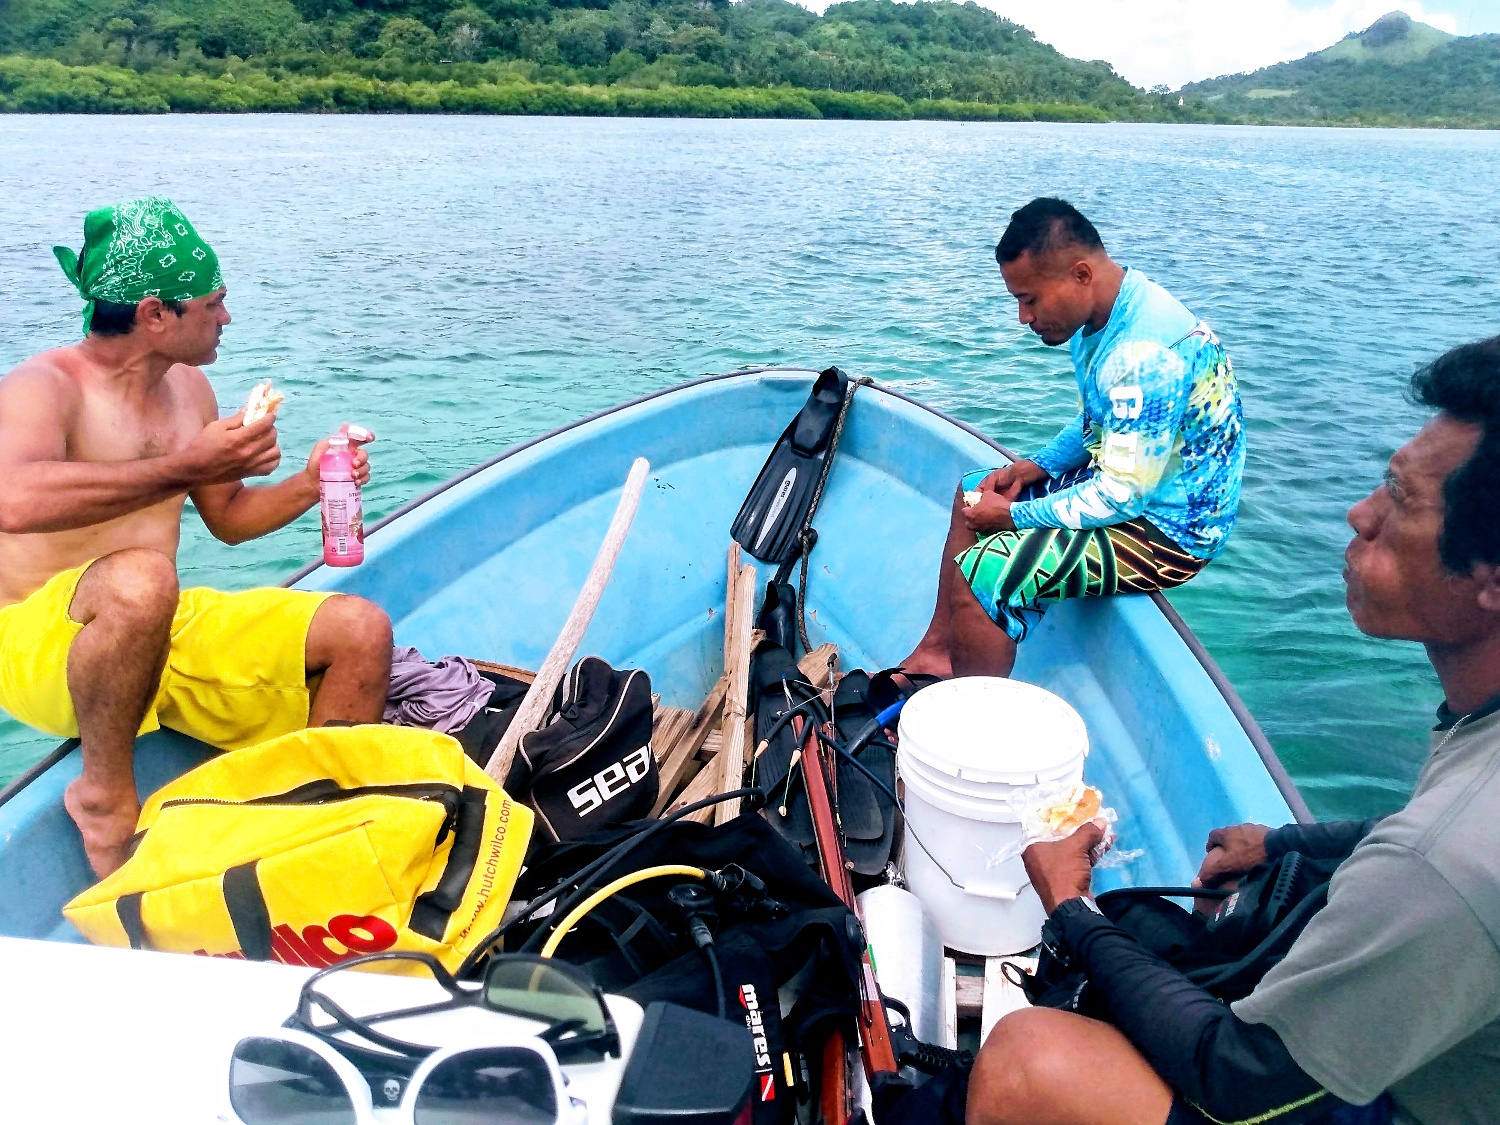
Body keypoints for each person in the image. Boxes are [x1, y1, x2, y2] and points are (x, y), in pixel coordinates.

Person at [968, 336, 1500, 1125]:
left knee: (1026, 1062)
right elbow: (1419, 837)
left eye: (1403, 500)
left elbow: (1239, 1077)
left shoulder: (1443, 862)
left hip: (1407, 1101)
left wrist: (1070, 908)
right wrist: (1284, 843)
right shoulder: (1473, 745)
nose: (1361, 514)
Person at [0, 197, 393, 878]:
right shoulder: (44, 385)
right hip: (41, 649)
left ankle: (303, 835)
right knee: (142, 579)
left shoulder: (192, 389)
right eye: (213, 304)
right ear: (155, 314)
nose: (226, 319)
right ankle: (103, 794)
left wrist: (308, 484)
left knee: (360, 629)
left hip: (160, 626)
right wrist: (186, 466)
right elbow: (11, 498)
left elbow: (230, 519)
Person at [903, 198, 1244, 678]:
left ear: (1080, 274)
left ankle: (972, 725)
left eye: (1030, 299)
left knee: (983, 573)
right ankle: (938, 654)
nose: (1024, 318)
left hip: (1170, 532)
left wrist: (1015, 516)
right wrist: (1036, 466)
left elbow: (1120, 496)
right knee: (975, 492)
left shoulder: (1139, 356)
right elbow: (1099, 419)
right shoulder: (1108, 311)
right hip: (1140, 487)